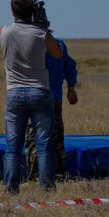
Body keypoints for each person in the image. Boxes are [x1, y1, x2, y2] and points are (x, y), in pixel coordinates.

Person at [0, 0, 62, 192]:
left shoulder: (5, 31)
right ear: (32, 12)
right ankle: (47, 187)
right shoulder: (40, 33)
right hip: (39, 91)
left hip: (14, 92)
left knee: (13, 146)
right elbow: (57, 53)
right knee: (43, 145)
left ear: (12, 12)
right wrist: (42, 28)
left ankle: (10, 187)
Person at [27, 36, 78, 180]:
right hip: (51, 97)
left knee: (34, 137)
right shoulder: (58, 44)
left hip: (38, 97)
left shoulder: (30, 42)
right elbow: (69, 66)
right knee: (54, 137)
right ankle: (55, 173)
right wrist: (71, 88)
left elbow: (68, 66)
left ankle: (39, 174)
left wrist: (71, 88)